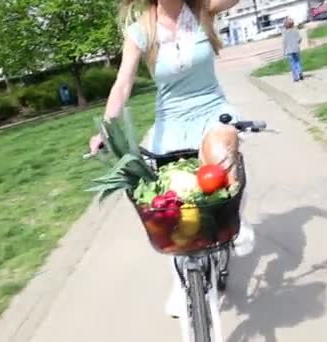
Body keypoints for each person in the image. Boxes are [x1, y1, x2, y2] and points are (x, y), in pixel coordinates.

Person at [87, 0, 255, 330]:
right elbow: (123, 82)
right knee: (170, 210)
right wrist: (106, 127)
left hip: (212, 110)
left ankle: (234, 219)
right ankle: (181, 282)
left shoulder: (205, 8)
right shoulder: (141, 31)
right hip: (171, 123)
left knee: (224, 153)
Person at [282, 17, 303, 82]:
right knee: (297, 61)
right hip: (296, 48)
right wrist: (297, 43)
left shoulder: (284, 32)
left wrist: (284, 50)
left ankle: (295, 77)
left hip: (289, 50)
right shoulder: (295, 30)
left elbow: (284, 42)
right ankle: (300, 73)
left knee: (292, 63)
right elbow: (299, 39)